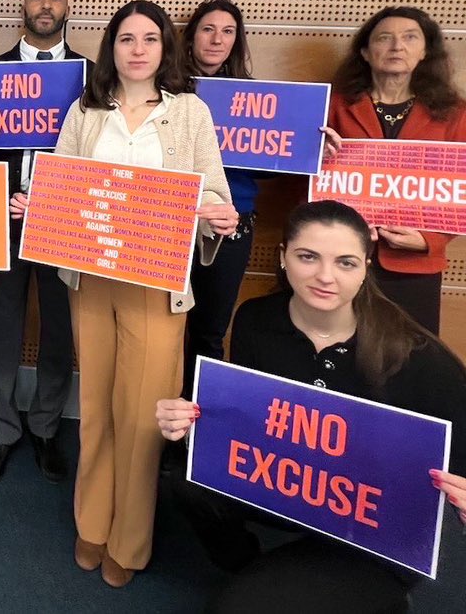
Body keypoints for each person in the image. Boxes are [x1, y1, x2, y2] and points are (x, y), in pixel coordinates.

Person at [15, 0, 237, 587]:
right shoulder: (86, 111)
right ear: (111, 48)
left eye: (149, 39)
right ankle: (91, 524)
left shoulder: (190, 113)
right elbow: (57, 182)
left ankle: (130, 543)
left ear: (165, 50)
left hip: (155, 286)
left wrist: (218, 215)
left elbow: (212, 191)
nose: (137, 49)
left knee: (141, 419)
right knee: (97, 413)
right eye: (125, 39)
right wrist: (35, 203)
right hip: (91, 282)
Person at [156, 200, 466, 613]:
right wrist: (194, 420)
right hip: (284, 491)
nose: (325, 276)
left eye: (346, 263)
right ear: (283, 257)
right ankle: (258, 567)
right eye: (308, 257)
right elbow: (249, 420)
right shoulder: (255, 320)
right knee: (184, 471)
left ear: (365, 269)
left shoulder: (419, 357)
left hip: (366, 531)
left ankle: (365, 591)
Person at [0, 0, 94, 487]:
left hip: (64, 221)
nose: (46, 5)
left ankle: (46, 426)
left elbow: (101, 154)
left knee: (60, 330)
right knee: (0, 329)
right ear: (23, 5)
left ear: (69, 5)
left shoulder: (91, 77)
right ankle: (1, 432)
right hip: (2, 219)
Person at [326, 6, 466, 335]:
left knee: (407, 359)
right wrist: (313, 156)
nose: (396, 46)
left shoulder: (455, 114)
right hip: (339, 255)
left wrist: (430, 240)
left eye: (409, 38)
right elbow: (301, 182)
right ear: (365, 51)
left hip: (413, 264)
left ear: (425, 51)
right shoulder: (332, 106)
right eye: (384, 38)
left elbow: (462, 192)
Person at [180, 0, 262, 397]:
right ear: (191, 36)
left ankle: (194, 433)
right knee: (162, 330)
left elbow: (273, 163)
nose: (217, 39)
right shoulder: (166, 93)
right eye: (208, 29)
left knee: (209, 333)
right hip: (171, 221)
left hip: (230, 227)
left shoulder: (261, 103)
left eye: (227, 31)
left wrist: (312, 145)